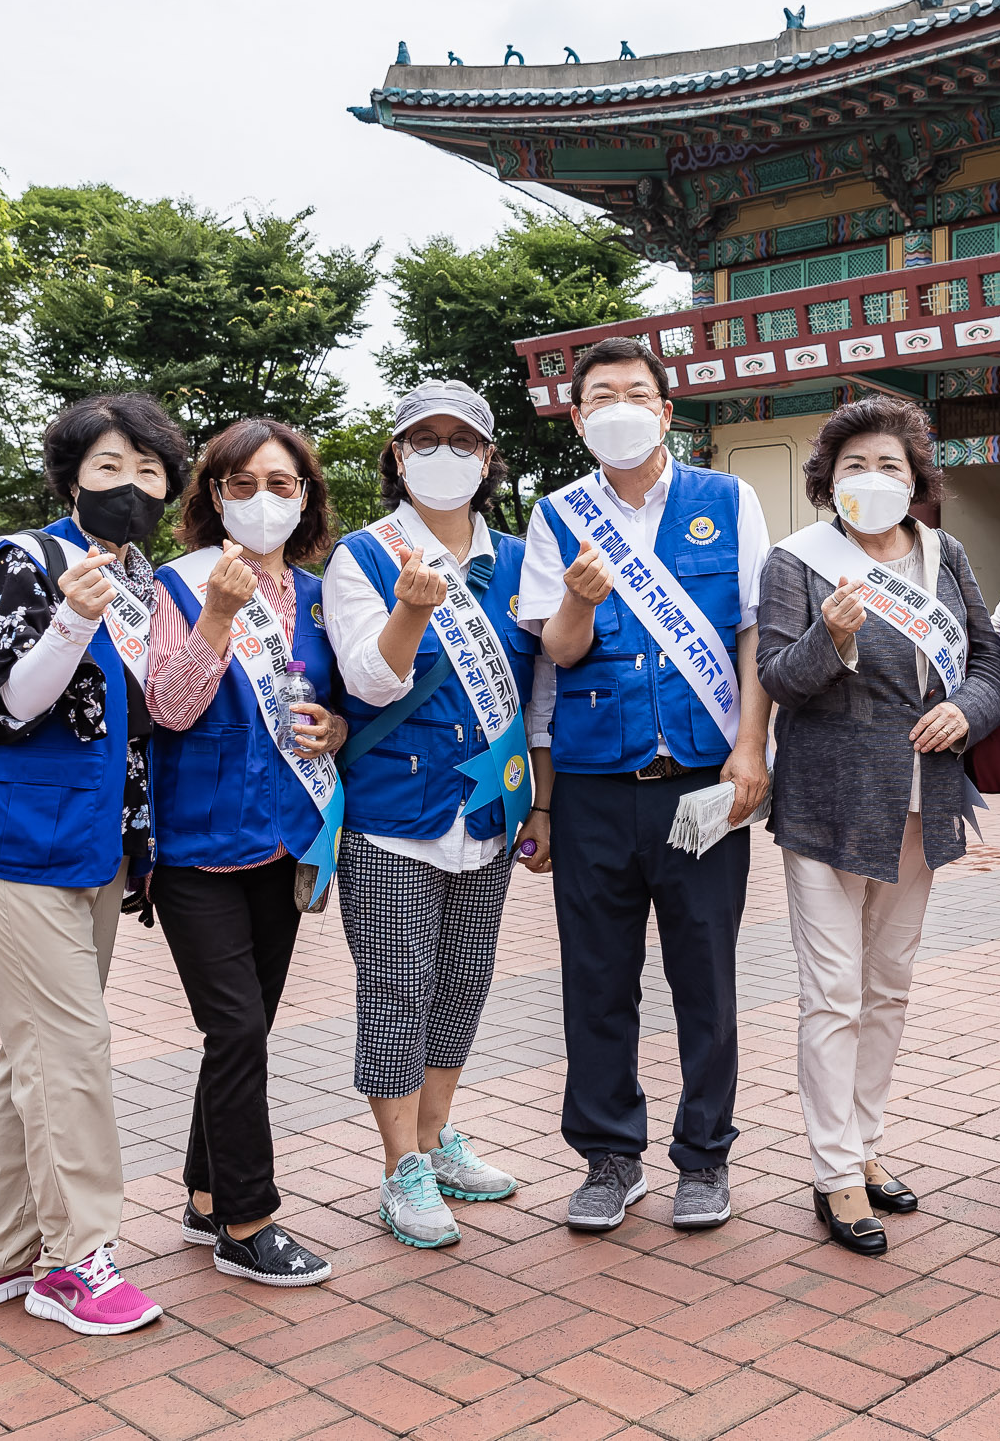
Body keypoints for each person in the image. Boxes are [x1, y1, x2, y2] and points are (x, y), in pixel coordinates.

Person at [0, 393, 190, 1336]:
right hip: (14, 842)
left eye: (150, 471)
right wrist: (71, 621)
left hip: (98, 847)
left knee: (33, 1051)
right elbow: (4, 706)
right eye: (110, 467)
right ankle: (78, 1261)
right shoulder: (25, 561)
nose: (132, 487)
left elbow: (137, 728)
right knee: (71, 1049)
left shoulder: (143, 580)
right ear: (72, 474)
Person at [521, 336, 772, 1234]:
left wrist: (751, 747)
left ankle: (705, 1156)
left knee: (705, 974)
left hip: (701, 783)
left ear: (666, 411)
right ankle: (609, 1155)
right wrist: (581, 600)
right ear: (579, 415)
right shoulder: (555, 515)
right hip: (594, 783)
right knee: (597, 977)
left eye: (637, 391)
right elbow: (555, 650)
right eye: (601, 395)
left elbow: (753, 631)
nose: (619, 406)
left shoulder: (726, 499)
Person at [755, 396, 1000, 1257]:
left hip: (918, 799)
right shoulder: (797, 561)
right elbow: (780, 679)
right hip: (827, 806)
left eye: (890, 465)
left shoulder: (947, 556)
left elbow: (988, 660)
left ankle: (864, 1147)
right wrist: (829, 638)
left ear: (916, 480)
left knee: (889, 986)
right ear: (830, 479)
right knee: (832, 991)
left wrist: (966, 715)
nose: (873, 478)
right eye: (855, 464)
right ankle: (833, 1174)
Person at [324, 380, 547, 1249]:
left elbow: (541, 696)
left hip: (490, 809)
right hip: (391, 811)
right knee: (393, 987)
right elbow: (368, 680)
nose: (444, 455)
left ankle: (435, 1135)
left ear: (488, 459)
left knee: (462, 978)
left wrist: (544, 805)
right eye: (425, 440)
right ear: (397, 455)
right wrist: (413, 613)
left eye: (463, 440)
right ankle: (398, 1168)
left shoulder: (523, 556)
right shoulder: (365, 556)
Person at [144, 418, 347, 1287]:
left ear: (304, 496)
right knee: (233, 1028)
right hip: (195, 849)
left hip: (284, 842)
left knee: (245, 1029)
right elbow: (168, 706)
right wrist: (220, 616)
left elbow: (340, 708)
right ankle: (248, 1220)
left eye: (280, 483)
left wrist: (335, 725)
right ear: (211, 495)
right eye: (240, 483)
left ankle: (201, 1195)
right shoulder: (177, 587)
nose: (261, 499)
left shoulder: (321, 592)